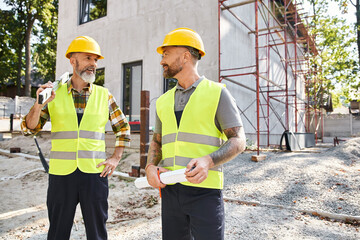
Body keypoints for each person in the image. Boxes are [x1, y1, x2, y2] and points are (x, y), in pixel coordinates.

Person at [21, 36, 130, 240]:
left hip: (95, 174)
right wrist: (38, 104)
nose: (93, 64)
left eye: (96, 60)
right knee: (57, 233)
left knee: (97, 233)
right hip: (61, 175)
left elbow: (123, 128)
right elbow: (29, 129)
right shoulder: (53, 92)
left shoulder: (104, 95)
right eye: (88, 58)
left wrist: (115, 158)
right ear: (73, 60)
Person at [145, 28, 246, 240]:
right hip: (171, 189)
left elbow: (238, 140)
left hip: (205, 191)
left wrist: (208, 161)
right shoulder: (163, 101)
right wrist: (150, 167)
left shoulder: (217, 92)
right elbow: (157, 141)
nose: (162, 61)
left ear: (185, 56)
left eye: (166, 54)